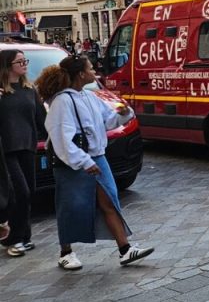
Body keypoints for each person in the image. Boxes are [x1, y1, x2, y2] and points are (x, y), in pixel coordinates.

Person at [36, 57, 153, 271]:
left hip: (97, 156)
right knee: (71, 205)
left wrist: (123, 115)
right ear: (81, 74)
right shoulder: (62, 101)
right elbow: (61, 137)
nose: (95, 72)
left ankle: (125, 249)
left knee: (109, 200)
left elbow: (106, 120)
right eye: (91, 69)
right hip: (74, 162)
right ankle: (66, 252)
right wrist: (83, 161)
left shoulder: (89, 96)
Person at [0, 49, 47, 257]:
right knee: (20, 192)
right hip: (6, 149)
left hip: (28, 146)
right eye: (20, 61)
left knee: (30, 191)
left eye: (25, 60)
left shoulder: (30, 89)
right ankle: (15, 239)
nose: (25, 64)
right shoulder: (1, 91)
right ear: (8, 66)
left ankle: (24, 237)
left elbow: (41, 119)